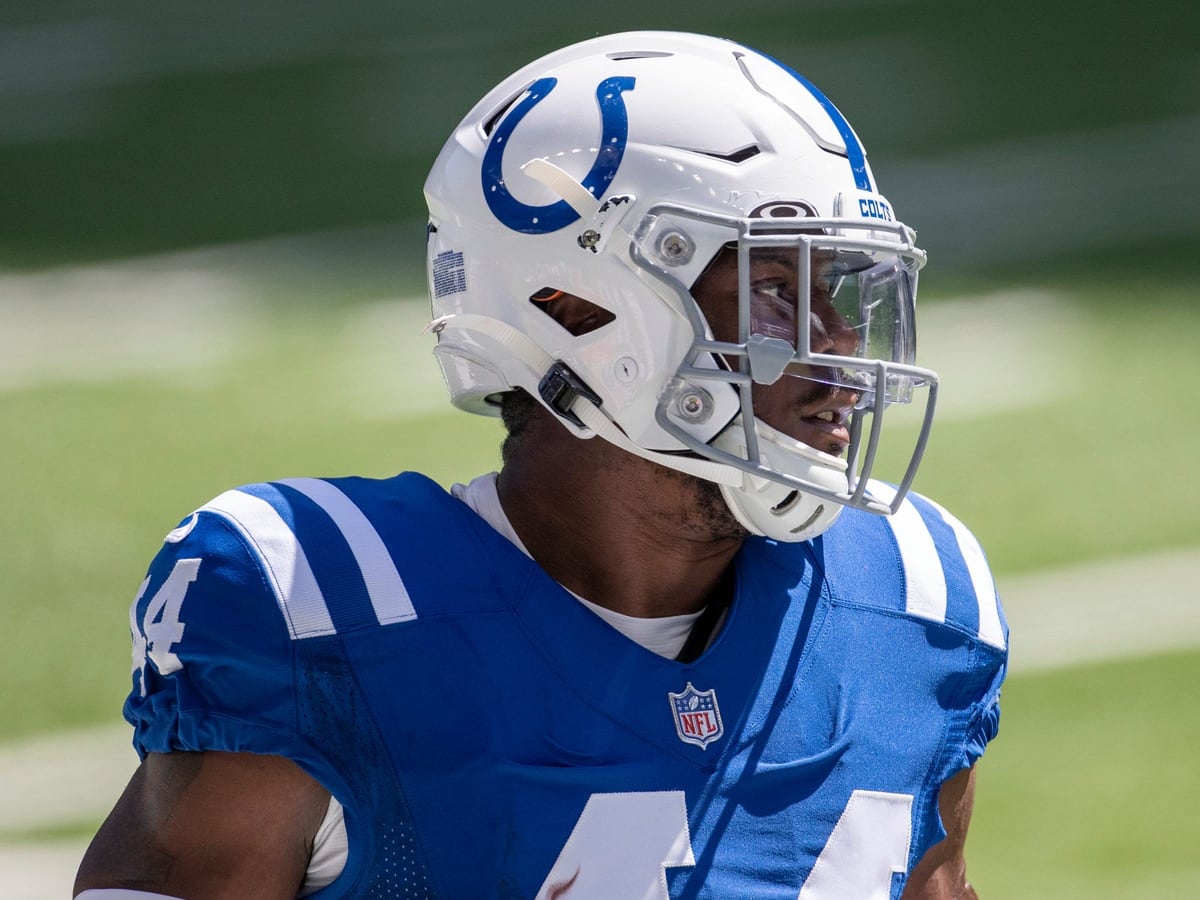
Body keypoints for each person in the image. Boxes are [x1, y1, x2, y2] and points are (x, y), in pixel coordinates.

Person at [75, 30, 1007, 900]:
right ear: (579, 307)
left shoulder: (912, 601)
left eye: (838, 292)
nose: (840, 353)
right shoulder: (331, 615)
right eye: (774, 287)